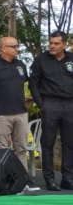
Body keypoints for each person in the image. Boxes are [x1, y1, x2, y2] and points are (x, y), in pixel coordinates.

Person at [0, 37, 39, 191]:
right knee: (2, 148)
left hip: (20, 112)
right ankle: (3, 181)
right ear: (3, 48)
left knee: (21, 148)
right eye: (14, 46)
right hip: (1, 114)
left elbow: (18, 85)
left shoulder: (20, 65)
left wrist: (27, 99)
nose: (17, 49)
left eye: (17, 46)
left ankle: (23, 181)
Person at [29, 30, 73, 191]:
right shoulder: (41, 60)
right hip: (50, 104)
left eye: (56, 43)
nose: (52, 46)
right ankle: (50, 180)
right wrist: (41, 104)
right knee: (47, 143)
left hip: (70, 105)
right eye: (50, 43)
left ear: (64, 44)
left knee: (70, 143)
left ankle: (67, 178)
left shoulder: (71, 59)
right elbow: (33, 83)